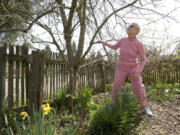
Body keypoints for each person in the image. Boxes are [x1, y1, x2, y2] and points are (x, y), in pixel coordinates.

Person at [97, 22, 153, 117]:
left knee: (138, 87)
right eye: (129, 26)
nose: (128, 28)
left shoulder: (138, 44)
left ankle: (145, 107)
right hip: (121, 68)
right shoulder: (123, 40)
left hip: (133, 68)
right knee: (116, 87)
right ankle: (113, 106)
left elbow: (143, 59)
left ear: (136, 31)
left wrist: (138, 72)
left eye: (131, 27)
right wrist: (103, 42)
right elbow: (114, 47)